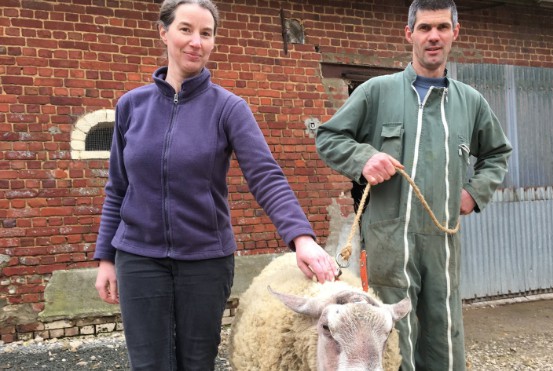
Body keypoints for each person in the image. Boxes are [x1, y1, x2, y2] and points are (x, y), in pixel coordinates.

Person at [93, 0, 338, 369]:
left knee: (197, 363)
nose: (195, 41)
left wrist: (301, 238)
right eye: (186, 29)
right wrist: (106, 258)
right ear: (164, 32)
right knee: (148, 365)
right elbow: (118, 188)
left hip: (204, 262)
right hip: (138, 258)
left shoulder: (229, 108)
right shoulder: (131, 106)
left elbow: (265, 174)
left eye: (206, 34)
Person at [315, 0, 513, 370]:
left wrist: (475, 192)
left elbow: (497, 154)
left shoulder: (470, 102)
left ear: (455, 33)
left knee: (444, 334)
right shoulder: (377, 92)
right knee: (390, 338)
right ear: (409, 34)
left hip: (442, 244)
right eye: (424, 28)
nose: (433, 36)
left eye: (441, 27)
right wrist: (363, 159)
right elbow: (329, 137)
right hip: (388, 244)